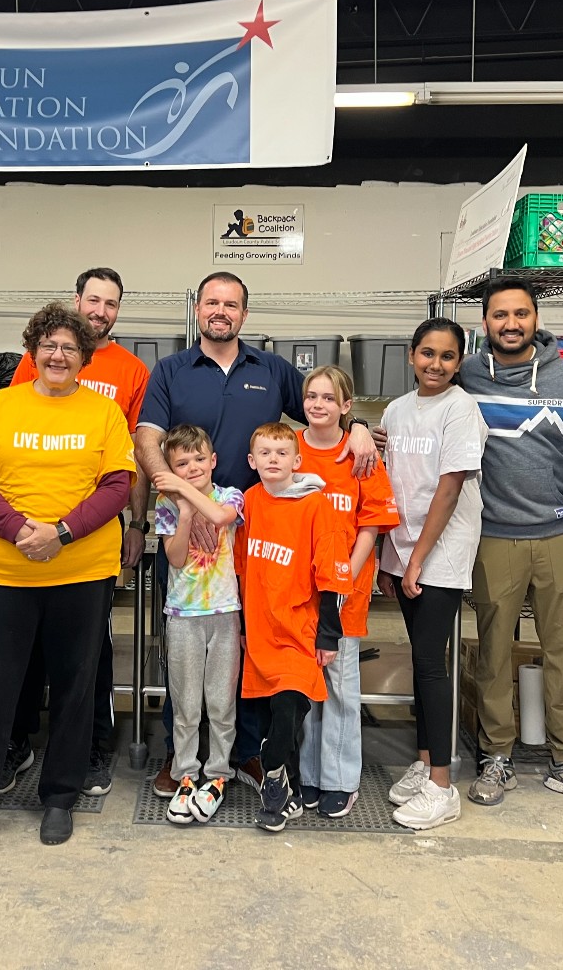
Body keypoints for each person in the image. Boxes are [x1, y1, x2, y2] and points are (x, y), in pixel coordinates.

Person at [135, 271, 376, 797]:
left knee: (249, 646)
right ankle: (182, 759)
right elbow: (147, 438)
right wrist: (181, 499)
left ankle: (245, 751)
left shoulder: (270, 369)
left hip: (256, 537)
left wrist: (357, 425)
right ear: (198, 308)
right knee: (184, 646)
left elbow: (321, 407)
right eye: (212, 302)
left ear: (245, 314)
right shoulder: (171, 370)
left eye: (232, 304)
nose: (221, 311)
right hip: (188, 533)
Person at [0, 302, 135, 854]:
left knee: (74, 685)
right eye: (49, 345)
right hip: (6, 570)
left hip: (82, 570)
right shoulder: (1, 406)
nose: (58, 355)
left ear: (83, 357)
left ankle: (60, 797)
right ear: (33, 351)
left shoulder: (104, 413)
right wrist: (21, 529)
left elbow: (116, 485)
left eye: (69, 347)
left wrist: (61, 533)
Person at [459, 277, 563, 812]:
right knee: (494, 653)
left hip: (558, 536)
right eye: (500, 315)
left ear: (535, 319)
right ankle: (496, 754)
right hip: (492, 538)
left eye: (520, 314)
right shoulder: (466, 376)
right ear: (485, 324)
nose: (511, 324)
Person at [7, 267, 150, 797]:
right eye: (94, 300)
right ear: (77, 300)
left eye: (111, 304)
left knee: (92, 650)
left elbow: (132, 457)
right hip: (28, 532)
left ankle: (94, 748)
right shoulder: (36, 357)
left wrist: (135, 522)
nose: (101, 311)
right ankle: (18, 744)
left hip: (92, 533)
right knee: (26, 648)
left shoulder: (132, 370)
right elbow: (11, 435)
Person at [377, 319, 488, 830]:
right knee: (422, 660)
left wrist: (417, 559)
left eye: (447, 356)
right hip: (403, 548)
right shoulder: (398, 410)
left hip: (440, 553)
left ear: (459, 361)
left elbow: (447, 490)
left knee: (429, 663)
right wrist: (390, 555)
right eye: (427, 353)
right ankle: (424, 763)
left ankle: (442, 787)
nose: (436, 364)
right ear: (410, 354)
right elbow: (391, 483)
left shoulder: (461, 409)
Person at [235, 422, 354, 833]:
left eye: (281, 453)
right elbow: (241, 565)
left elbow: (331, 574)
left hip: (299, 628)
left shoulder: (315, 505)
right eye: (264, 453)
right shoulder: (249, 501)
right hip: (259, 626)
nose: (273, 460)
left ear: (297, 461)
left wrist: (328, 633)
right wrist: (242, 625)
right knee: (271, 710)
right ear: (252, 461)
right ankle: (284, 789)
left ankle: (270, 772)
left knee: (291, 702)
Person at [295, 366, 399, 819]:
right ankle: (310, 775)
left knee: (339, 686)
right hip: (297, 593)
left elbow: (371, 526)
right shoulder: (291, 451)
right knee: (305, 685)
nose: (318, 405)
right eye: (310, 397)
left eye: (327, 398)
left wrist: (342, 579)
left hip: (343, 595)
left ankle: (340, 780)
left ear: (345, 406)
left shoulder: (361, 457)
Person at [151, 425, 244, 825]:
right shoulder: (168, 505)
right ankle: (186, 774)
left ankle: (218, 774)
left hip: (224, 614)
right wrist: (184, 509)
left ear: (214, 461)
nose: (192, 469)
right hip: (183, 616)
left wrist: (183, 490)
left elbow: (222, 517)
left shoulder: (230, 496)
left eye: (199, 460)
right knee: (187, 704)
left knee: (221, 703)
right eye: (182, 464)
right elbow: (174, 558)